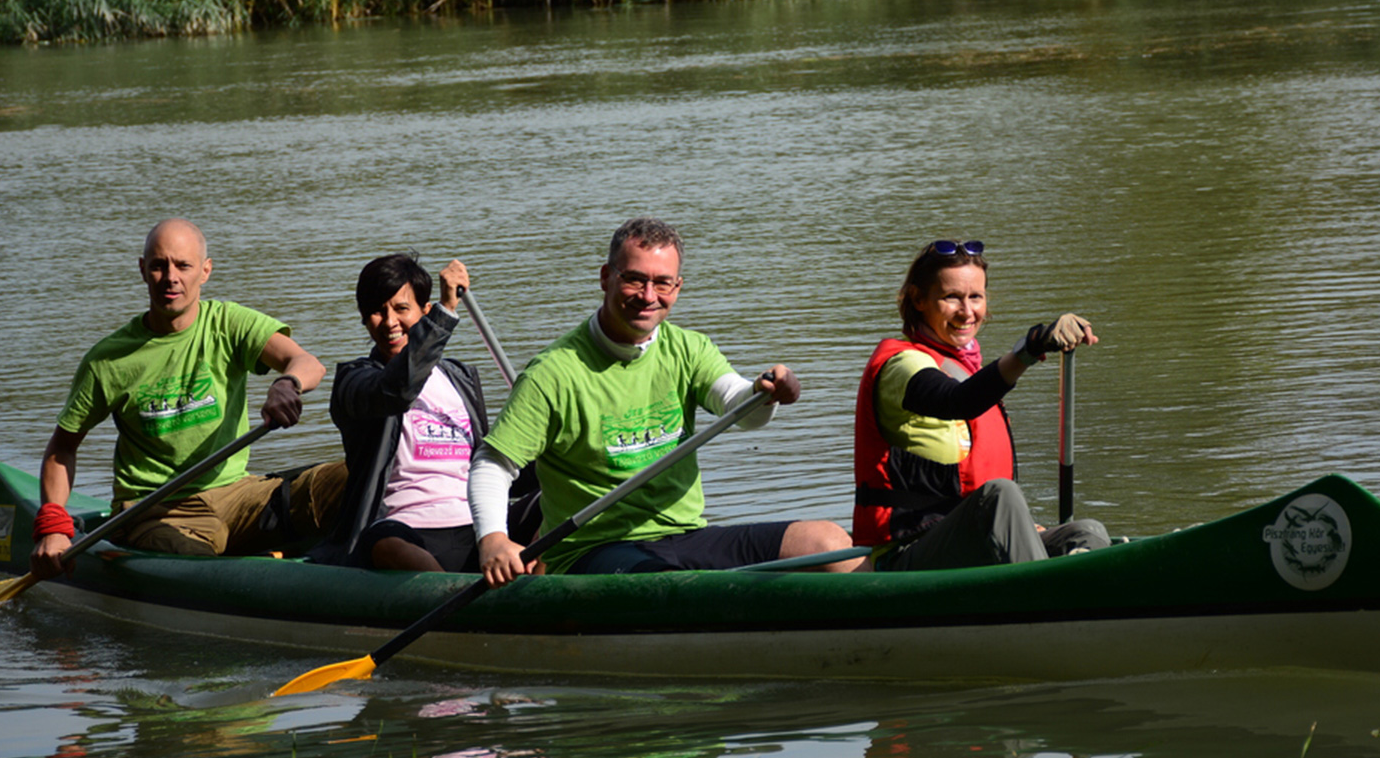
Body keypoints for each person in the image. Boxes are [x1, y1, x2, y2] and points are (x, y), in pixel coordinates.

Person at [470, 216, 859, 583]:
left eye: (663, 283)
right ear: (606, 278)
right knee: (671, 585)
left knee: (830, 544)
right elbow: (492, 464)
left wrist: (763, 394)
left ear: (678, 286)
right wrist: (493, 539)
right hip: (593, 551)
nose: (648, 296)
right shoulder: (552, 373)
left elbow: (739, 408)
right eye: (635, 280)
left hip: (686, 536)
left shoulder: (688, 349)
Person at [28, 218, 344, 577]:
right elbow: (62, 449)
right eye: (159, 265)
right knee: (196, 566)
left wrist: (287, 384)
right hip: (156, 510)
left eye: (183, 265)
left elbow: (307, 363)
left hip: (239, 495)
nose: (171, 277)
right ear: (143, 270)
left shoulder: (228, 323)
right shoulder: (108, 360)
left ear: (205, 271)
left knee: (355, 477)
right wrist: (53, 526)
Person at [852, 238, 1110, 571]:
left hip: (968, 541)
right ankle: (1047, 598)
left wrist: (1019, 528)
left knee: (1087, 532)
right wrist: (1030, 348)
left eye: (976, 297)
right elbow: (956, 401)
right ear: (918, 299)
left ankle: (1086, 594)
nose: (967, 311)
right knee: (999, 496)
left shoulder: (962, 366)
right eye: (951, 298)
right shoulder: (901, 365)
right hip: (908, 553)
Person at [317, 253, 490, 572]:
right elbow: (397, 389)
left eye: (401, 308)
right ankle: (449, 603)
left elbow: (489, 459)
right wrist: (446, 312)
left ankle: (535, 600)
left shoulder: (461, 379)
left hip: (478, 527)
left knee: (548, 511)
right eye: (377, 312)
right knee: (385, 542)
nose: (390, 322)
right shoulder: (355, 381)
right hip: (402, 530)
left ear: (424, 312)